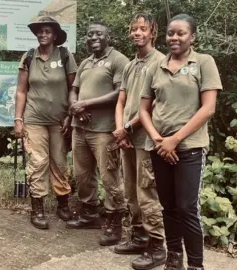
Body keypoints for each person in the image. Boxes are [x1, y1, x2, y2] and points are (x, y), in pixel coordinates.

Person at [140, 14, 222, 270]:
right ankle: (174, 259)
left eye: (180, 33)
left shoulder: (204, 62)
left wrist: (174, 140)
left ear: (192, 37)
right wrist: (158, 139)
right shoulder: (156, 66)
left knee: (187, 207)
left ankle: (195, 265)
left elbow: (208, 108)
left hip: (189, 148)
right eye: (170, 33)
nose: (174, 38)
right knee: (168, 207)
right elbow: (144, 109)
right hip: (160, 147)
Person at [66, 21, 129, 247]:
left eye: (99, 34)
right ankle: (89, 214)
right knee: (82, 175)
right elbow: (74, 90)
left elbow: (119, 94)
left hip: (105, 130)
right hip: (80, 128)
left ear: (108, 37)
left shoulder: (119, 60)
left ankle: (114, 223)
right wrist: (76, 107)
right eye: (90, 34)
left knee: (110, 176)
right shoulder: (86, 62)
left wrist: (86, 104)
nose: (93, 37)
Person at [112, 14, 166, 270]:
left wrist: (127, 128)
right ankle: (139, 237)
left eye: (142, 29)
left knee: (147, 193)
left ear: (152, 32)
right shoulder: (130, 65)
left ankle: (157, 247)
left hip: (146, 139)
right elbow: (121, 101)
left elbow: (154, 103)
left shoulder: (160, 61)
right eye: (133, 29)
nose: (137, 33)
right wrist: (119, 129)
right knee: (130, 191)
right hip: (126, 139)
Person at [14, 16, 77, 229]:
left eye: (47, 31)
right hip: (34, 119)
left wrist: (70, 115)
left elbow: (73, 89)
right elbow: (21, 91)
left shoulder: (65, 55)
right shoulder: (29, 57)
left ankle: (63, 204)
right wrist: (18, 119)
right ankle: (37, 208)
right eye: (40, 31)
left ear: (55, 35)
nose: (43, 34)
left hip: (60, 120)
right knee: (38, 162)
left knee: (59, 161)